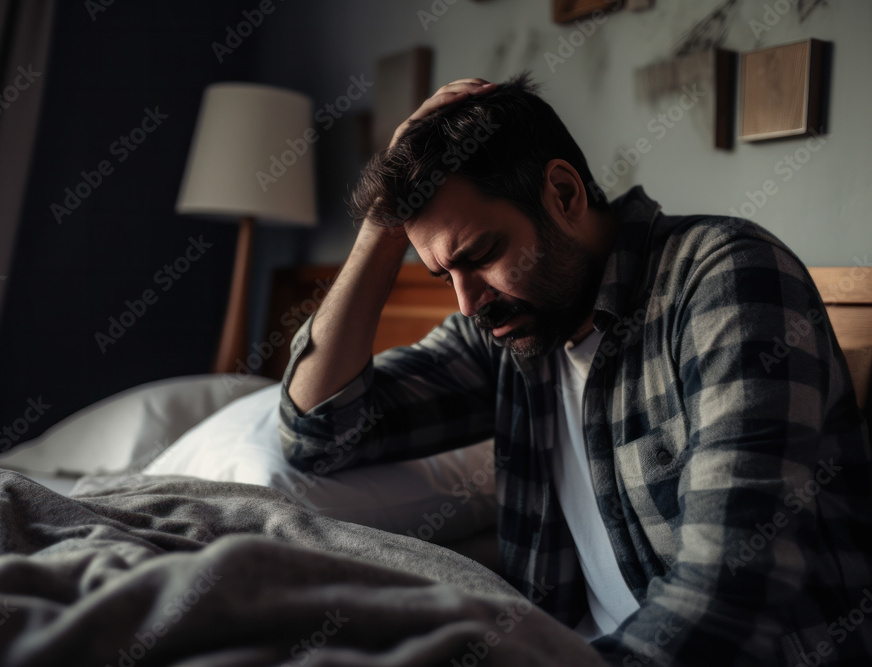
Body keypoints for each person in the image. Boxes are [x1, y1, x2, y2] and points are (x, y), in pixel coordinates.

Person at [278, 72, 872, 665]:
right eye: (444, 275)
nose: (466, 302)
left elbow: (732, 598)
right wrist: (382, 226)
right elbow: (320, 431)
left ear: (563, 194)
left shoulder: (724, 281)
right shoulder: (511, 335)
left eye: (481, 255)